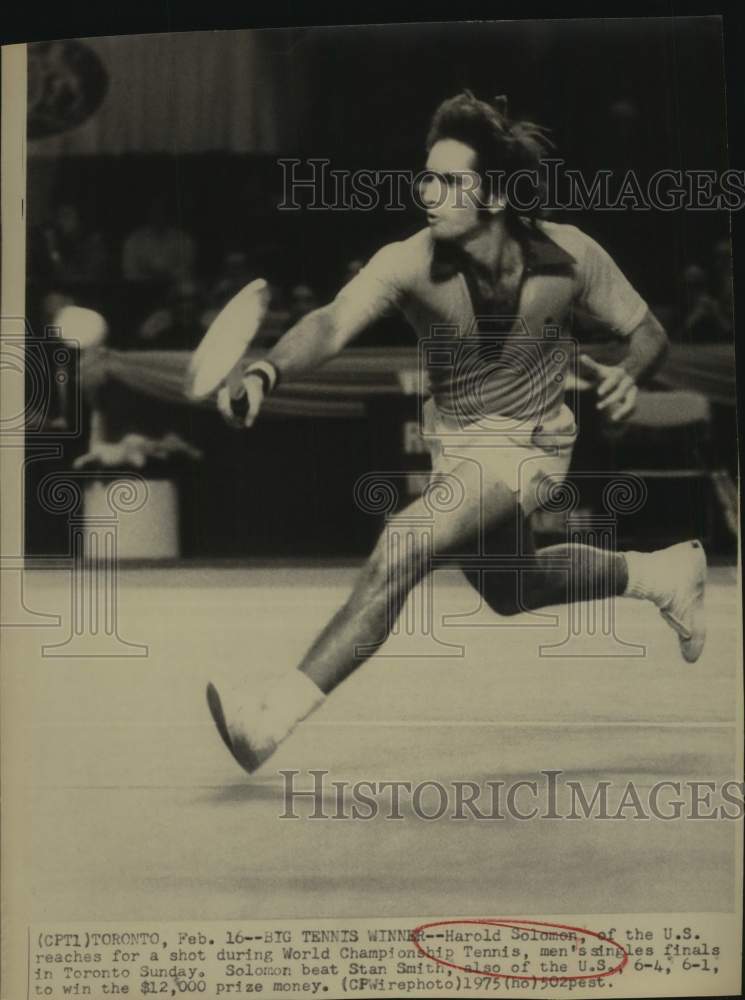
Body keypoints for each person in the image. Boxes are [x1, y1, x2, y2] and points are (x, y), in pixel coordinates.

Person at [206, 92, 706, 775]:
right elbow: (329, 321)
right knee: (513, 588)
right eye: (425, 176)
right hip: (460, 449)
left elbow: (647, 334)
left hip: (531, 446)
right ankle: (661, 573)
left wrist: (629, 373)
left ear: (494, 195)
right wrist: (266, 371)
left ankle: (268, 721)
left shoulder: (569, 255)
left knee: (405, 544)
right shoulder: (408, 261)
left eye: (448, 181)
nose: (427, 193)